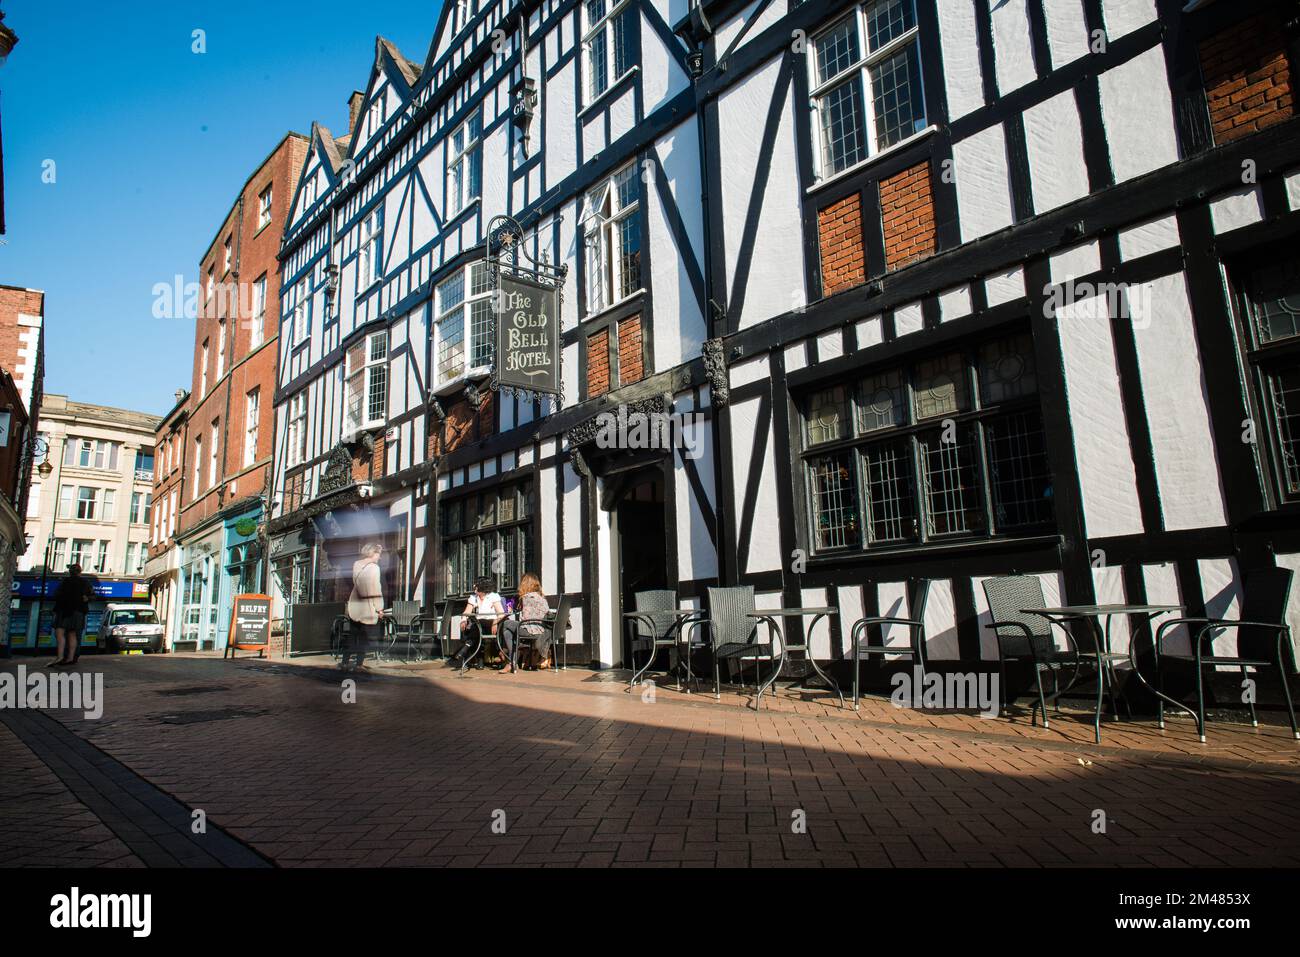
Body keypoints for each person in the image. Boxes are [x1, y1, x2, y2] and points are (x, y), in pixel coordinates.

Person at [499, 573, 552, 673]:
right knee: (509, 631)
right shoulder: (542, 598)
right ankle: (512, 662)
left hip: (531, 630)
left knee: (506, 624)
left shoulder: (526, 597)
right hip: (542, 631)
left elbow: (524, 619)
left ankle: (511, 662)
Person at [343, 543, 384, 673]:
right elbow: (375, 589)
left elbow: (356, 583)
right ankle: (359, 664)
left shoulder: (356, 565)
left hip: (355, 604)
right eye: (378, 554)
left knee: (352, 635)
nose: (379, 557)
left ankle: (344, 663)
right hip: (367, 606)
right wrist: (379, 608)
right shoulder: (374, 568)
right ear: (373, 553)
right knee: (363, 637)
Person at [447, 577, 505, 669]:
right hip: (478, 624)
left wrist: (495, 622)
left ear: (483, 586)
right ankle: (477, 659)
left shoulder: (493, 596)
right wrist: (463, 620)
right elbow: (467, 611)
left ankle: (466, 649)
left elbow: (501, 613)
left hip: (491, 623)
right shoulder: (473, 598)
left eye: (476, 584)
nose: (474, 586)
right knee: (473, 626)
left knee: (475, 628)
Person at [50, 564, 94, 667]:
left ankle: (60, 656)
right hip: (78, 611)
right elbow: (92, 595)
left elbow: (57, 595)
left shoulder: (65, 582)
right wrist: (87, 598)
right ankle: (70, 657)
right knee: (72, 633)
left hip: (65, 610)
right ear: (80, 572)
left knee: (59, 632)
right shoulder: (85, 582)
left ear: (70, 572)